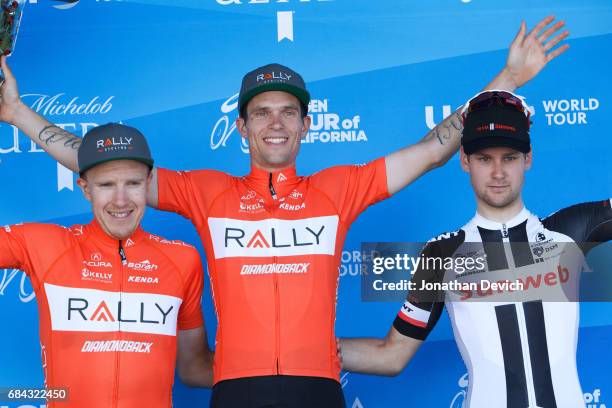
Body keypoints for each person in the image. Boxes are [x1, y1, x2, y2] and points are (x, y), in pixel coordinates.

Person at [0, 16, 569, 407]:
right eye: (263, 112)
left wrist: (507, 82)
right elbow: (102, 162)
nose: (276, 122)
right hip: (235, 389)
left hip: (317, 387)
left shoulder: (337, 189)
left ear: (306, 124)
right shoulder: (207, 192)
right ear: (242, 126)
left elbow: (432, 148)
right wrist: (20, 115)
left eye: (288, 112)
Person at [339, 90, 612, 408]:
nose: (498, 172)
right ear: (465, 161)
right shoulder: (441, 254)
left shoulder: (570, 230)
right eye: (485, 158)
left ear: (528, 159)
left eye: (509, 158)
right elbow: (391, 355)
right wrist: (296, 352)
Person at [0, 123, 213, 407]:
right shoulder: (44, 245)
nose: (121, 200)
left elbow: (195, 367)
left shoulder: (182, 259)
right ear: (86, 189)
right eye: (106, 185)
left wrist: (277, 373)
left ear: (148, 183)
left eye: (133, 184)